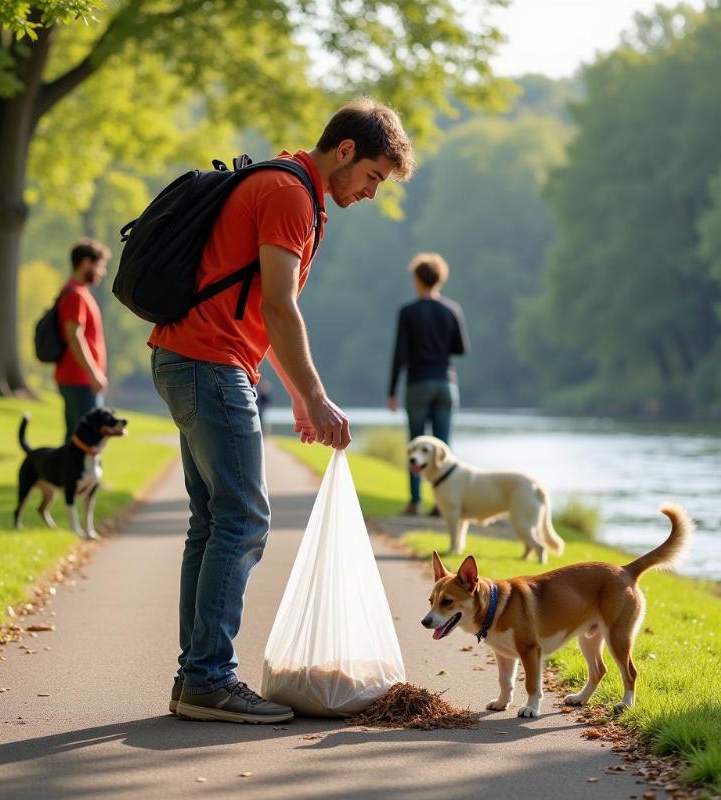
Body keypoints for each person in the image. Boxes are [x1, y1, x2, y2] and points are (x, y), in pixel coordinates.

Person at [149, 98, 415, 725]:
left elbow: (254, 308)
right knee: (242, 518)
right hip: (209, 364)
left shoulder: (288, 186)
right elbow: (277, 306)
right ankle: (208, 678)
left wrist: (296, 396)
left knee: (212, 521)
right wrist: (316, 396)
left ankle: (197, 677)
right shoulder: (291, 195)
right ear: (344, 151)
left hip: (193, 359)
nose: (372, 193)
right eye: (374, 176)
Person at [387, 252, 469, 517]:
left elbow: (399, 353)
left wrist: (391, 391)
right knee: (443, 447)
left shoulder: (408, 312)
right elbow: (461, 348)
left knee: (415, 446)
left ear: (418, 280)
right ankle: (441, 504)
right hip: (446, 383)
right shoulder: (452, 310)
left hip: (418, 383)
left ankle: (414, 502)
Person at [55, 238, 111, 443]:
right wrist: (94, 373)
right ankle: (85, 476)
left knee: (77, 439)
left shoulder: (77, 292)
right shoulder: (75, 294)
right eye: (100, 266)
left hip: (78, 378)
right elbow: (74, 336)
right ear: (86, 263)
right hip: (79, 380)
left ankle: (79, 476)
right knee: (87, 438)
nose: (102, 272)